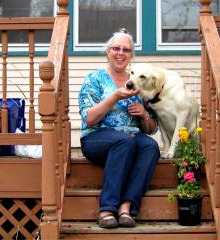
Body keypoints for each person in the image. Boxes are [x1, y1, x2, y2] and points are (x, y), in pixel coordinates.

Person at [78, 29, 160, 229]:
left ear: (131, 55)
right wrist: (115, 96)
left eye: (126, 49)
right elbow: (89, 118)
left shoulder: (139, 81)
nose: (120, 53)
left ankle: (127, 207)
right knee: (123, 141)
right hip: (97, 137)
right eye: (116, 48)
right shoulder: (94, 79)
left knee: (150, 146)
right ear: (108, 52)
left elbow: (151, 129)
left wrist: (144, 114)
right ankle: (107, 208)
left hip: (131, 137)